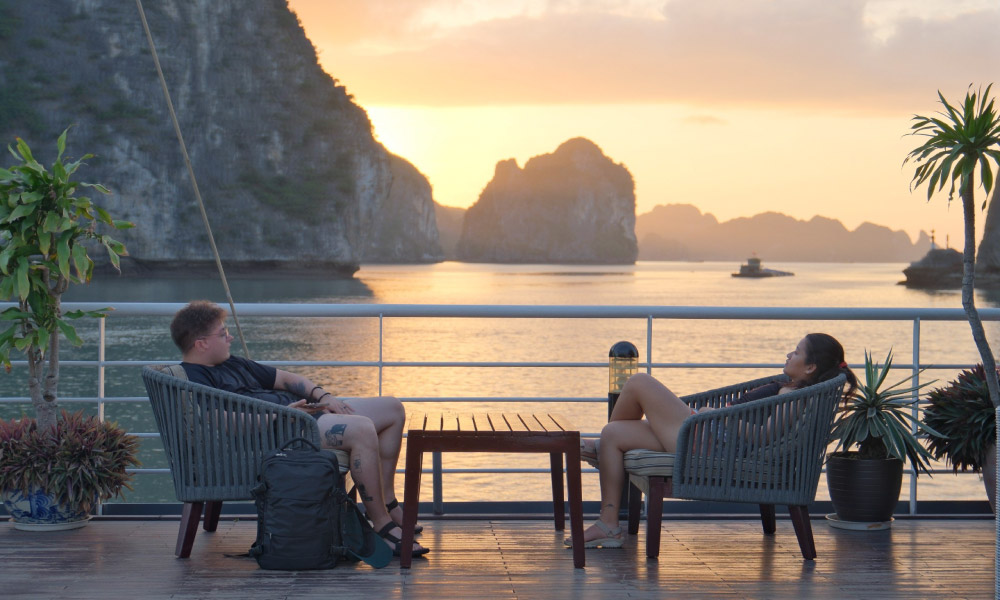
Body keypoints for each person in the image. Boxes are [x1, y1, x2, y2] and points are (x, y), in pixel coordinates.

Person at [169, 300, 427, 557]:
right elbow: (226, 423)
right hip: (283, 435)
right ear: (201, 343)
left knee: (393, 409)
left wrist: (324, 397)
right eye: (223, 333)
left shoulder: (232, 363)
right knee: (361, 429)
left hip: (304, 415)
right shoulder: (195, 379)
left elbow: (287, 379)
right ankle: (381, 524)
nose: (230, 337)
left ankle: (388, 500)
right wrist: (284, 414)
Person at [572, 333, 857, 548]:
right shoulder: (791, 389)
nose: (788, 355)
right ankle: (609, 524)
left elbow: (765, 437)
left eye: (796, 353)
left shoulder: (792, 398)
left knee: (638, 382)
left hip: (708, 442)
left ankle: (596, 449)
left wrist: (721, 417)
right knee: (613, 435)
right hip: (706, 432)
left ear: (810, 367)